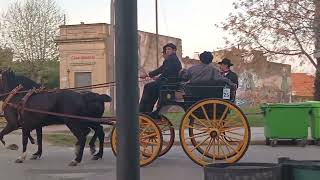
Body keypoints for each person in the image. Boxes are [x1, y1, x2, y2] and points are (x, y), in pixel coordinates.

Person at [139, 43, 182, 115]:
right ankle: (146, 110)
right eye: (166, 49)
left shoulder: (171, 59)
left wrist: (150, 76)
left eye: (169, 49)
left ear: (174, 51)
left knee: (148, 86)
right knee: (150, 86)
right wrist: (152, 76)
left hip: (167, 83)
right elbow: (164, 71)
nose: (167, 51)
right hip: (167, 82)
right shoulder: (172, 59)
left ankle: (144, 111)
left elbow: (163, 71)